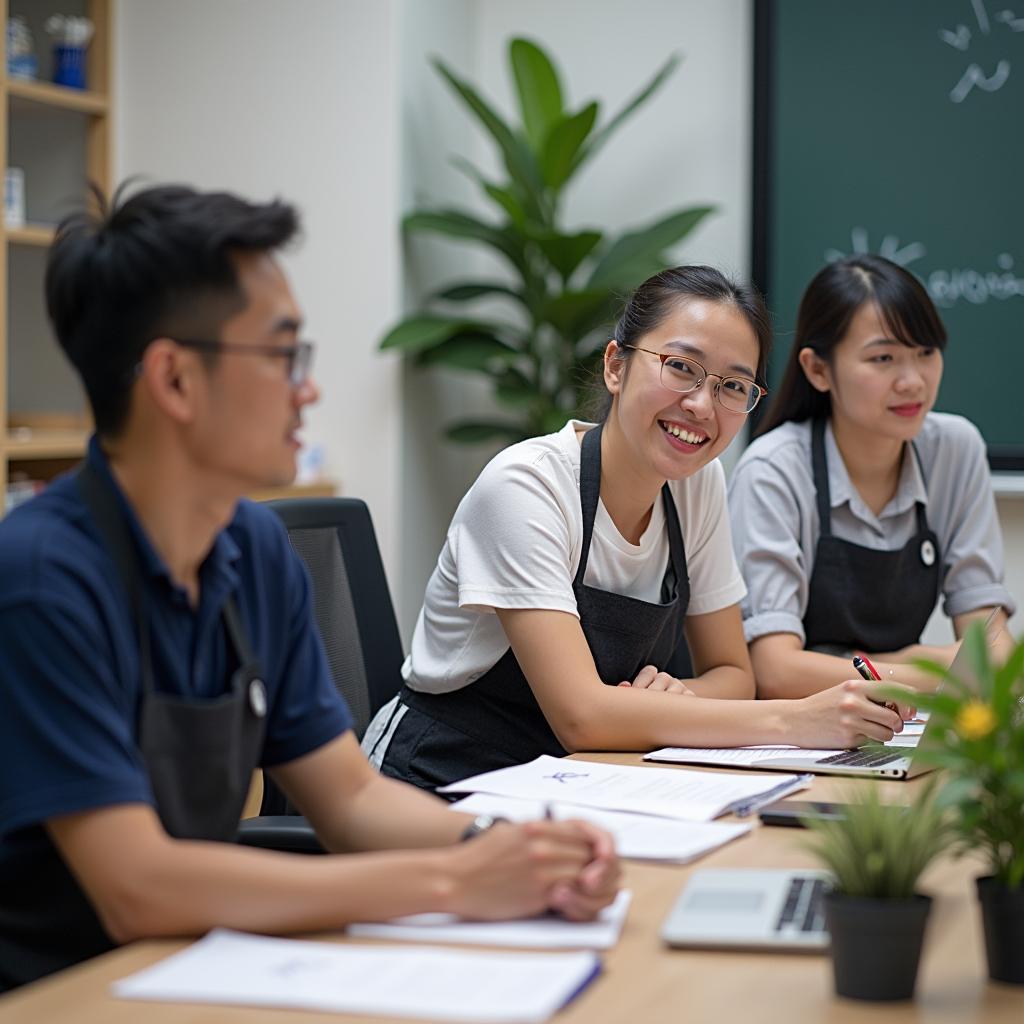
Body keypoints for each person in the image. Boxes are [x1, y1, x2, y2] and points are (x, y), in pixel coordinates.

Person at [0, 184, 620, 992]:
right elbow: (137, 888)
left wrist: (508, 852)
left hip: (201, 971)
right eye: (284, 355)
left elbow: (353, 797)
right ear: (175, 380)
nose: (310, 389)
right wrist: (454, 884)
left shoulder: (255, 549)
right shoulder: (42, 582)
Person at [364, 266, 909, 792]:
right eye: (681, 367)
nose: (701, 405)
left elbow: (731, 673)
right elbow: (583, 717)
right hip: (438, 777)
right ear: (616, 367)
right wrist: (797, 721)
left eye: (733, 387)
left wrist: (675, 697)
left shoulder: (697, 485)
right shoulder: (528, 486)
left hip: (573, 779)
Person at [728, 254, 1014, 698]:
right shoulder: (774, 469)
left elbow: (994, 651)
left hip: (900, 728)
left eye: (925, 353)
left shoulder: (955, 449)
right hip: (796, 734)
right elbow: (775, 671)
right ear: (818, 369)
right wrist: (932, 663)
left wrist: (864, 665)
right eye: (883, 358)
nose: (913, 381)